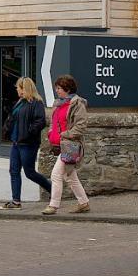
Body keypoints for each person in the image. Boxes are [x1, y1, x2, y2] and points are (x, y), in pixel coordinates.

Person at [0, 77, 51, 210]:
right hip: (16, 143)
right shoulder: (20, 102)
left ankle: (53, 190)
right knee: (13, 171)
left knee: (30, 172)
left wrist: (28, 132)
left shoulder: (36, 103)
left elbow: (40, 121)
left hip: (28, 143)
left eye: (18, 88)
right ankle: (16, 201)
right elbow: (14, 118)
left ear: (24, 88)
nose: (16, 90)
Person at [43, 74, 90, 215]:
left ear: (68, 89)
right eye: (56, 88)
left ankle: (53, 205)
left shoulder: (77, 104)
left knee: (56, 175)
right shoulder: (58, 104)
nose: (57, 90)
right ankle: (83, 203)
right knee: (70, 175)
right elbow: (54, 122)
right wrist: (51, 132)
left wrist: (65, 134)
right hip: (60, 144)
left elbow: (81, 126)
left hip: (71, 145)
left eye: (59, 88)